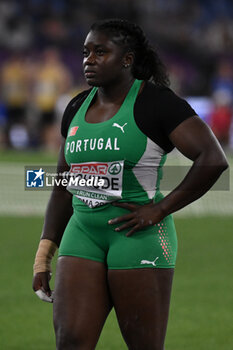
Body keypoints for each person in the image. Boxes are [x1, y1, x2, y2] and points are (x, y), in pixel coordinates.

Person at [32, 19, 228, 350]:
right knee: (71, 342)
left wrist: (161, 209)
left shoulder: (155, 102)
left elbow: (212, 158)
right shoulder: (77, 107)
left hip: (139, 237)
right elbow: (64, 184)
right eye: (85, 52)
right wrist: (44, 253)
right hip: (82, 234)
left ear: (126, 59)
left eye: (100, 52)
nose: (88, 60)